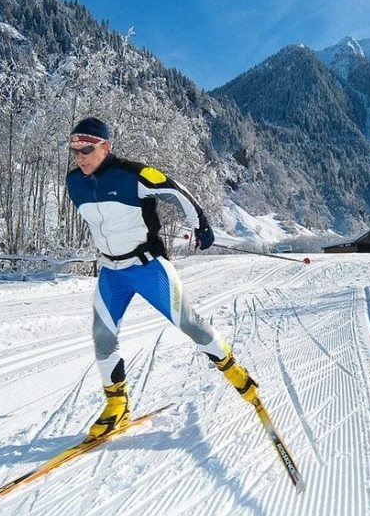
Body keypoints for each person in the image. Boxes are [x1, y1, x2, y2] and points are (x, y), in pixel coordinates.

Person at [65, 117, 258, 441]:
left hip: (148, 268)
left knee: (189, 324)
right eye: (75, 150)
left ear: (106, 147)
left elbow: (174, 189)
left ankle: (237, 373)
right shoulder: (74, 183)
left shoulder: (132, 174)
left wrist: (201, 223)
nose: (80, 156)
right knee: (102, 336)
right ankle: (117, 406)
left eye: (87, 149)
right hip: (111, 273)